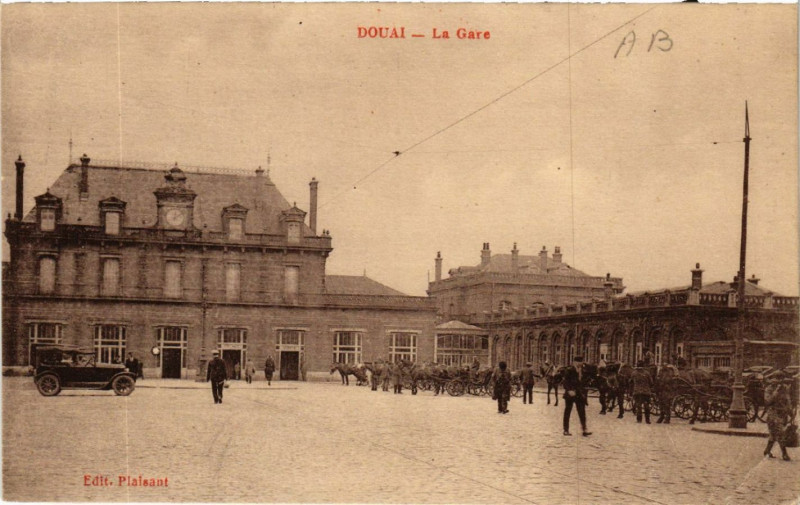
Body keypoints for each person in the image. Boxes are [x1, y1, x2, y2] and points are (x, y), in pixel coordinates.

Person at [764, 374, 793, 461]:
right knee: (780, 433)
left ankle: (767, 451)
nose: (778, 381)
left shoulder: (785, 388)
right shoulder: (768, 389)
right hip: (773, 413)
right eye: (776, 379)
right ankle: (785, 454)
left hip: (782, 413)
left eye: (780, 379)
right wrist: (776, 391)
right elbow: (768, 401)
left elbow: (788, 400)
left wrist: (790, 412)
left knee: (773, 434)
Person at [562, 356, 591, 436]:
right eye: (580, 362)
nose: (582, 364)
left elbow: (584, 381)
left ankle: (584, 429)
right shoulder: (569, 370)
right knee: (568, 411)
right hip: (570, 394)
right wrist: (569, 390)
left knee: (582, 412)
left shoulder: (583, 370)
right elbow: (565, 382)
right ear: (575, 362)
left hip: (579, 394)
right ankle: (566, 430)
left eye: (582, 362)